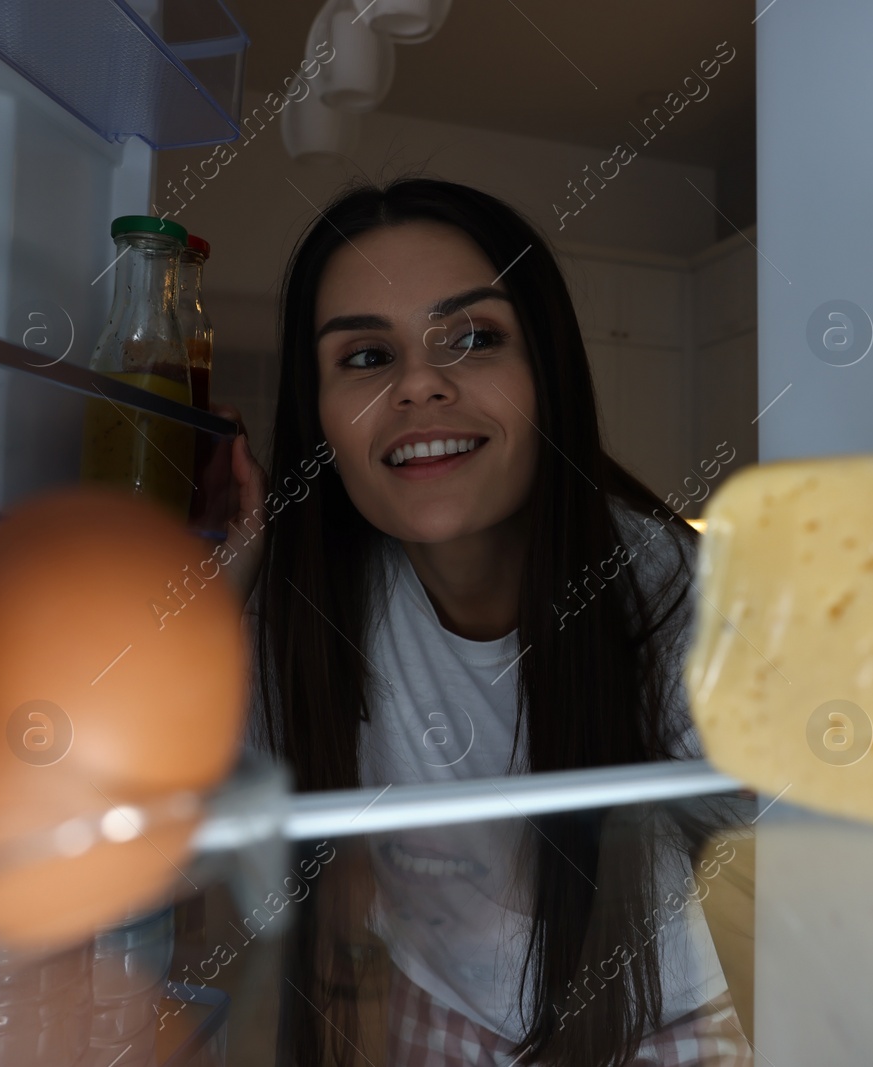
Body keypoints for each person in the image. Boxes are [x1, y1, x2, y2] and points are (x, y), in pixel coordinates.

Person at [217, 178, 751, 1067]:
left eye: (472, 339)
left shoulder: (669, 590)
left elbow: (777, 840)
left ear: (547, 376)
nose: (420, 384)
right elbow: (174, 788)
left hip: (660, 1016)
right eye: (363, 357)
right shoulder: (313, 603)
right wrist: (224, 576)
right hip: (446, 1008)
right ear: (319, 421)